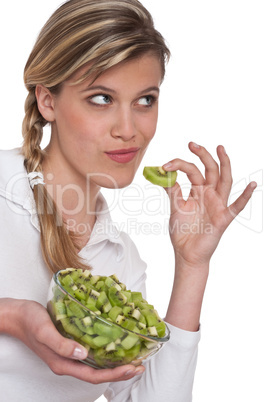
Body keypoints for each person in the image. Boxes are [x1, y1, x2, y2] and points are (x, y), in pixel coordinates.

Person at [0, 0, 257, 401]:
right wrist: (11, 316)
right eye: (102, 98)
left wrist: (193, 264)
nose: (129, 130)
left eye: (145, 100)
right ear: (48, 101)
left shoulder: (120, 262)